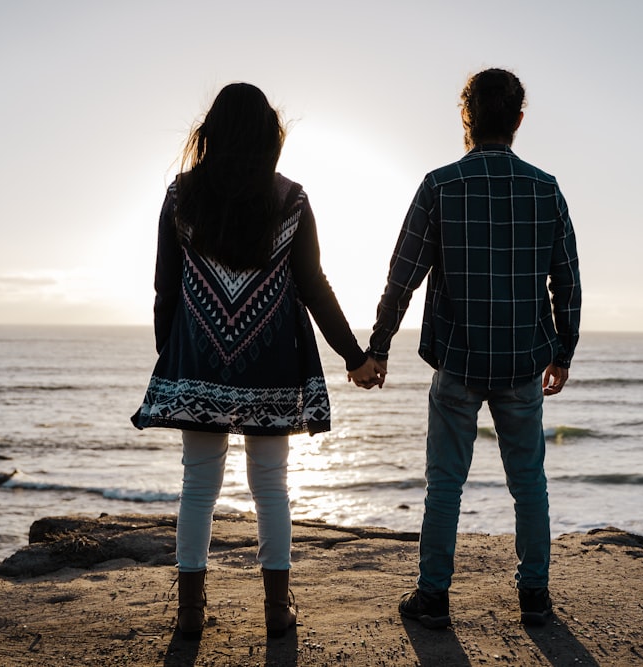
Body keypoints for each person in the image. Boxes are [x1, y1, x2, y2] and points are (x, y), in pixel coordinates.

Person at [131, 82, 383, 639]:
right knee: (271, 485)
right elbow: (314, 285)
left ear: (212, 133)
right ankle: (275, 611)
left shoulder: (181, 196)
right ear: (270, 136)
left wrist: (170, 357)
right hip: (270, 360)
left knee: (198, 486)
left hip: (197, 360)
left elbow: (164, 290)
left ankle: (191, 614)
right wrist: (356, 356)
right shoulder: (291, 198)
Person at [366, 68, 582, 629]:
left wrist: (379, 345)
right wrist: (563, 352)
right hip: (521, 363)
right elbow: (568, 280)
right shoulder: (546, 188)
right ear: (517, 121)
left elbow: (402, 277)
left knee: (445, 484)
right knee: (529, 483)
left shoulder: (439, 186)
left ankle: (433, 597)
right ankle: (534, 596)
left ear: (466, 117)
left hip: (458, 363)